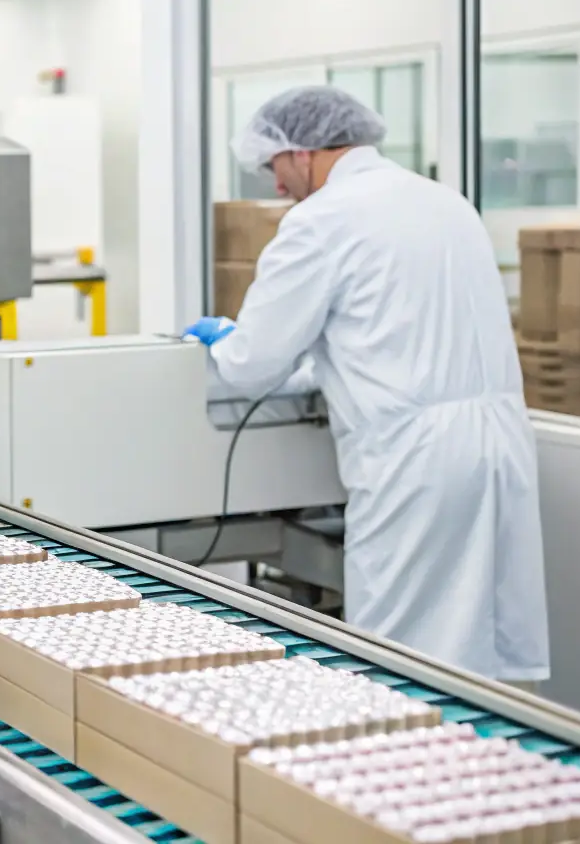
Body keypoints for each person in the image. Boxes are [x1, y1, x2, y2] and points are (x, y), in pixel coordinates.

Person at [185, 85, 549, 685]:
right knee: (481, 649)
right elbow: (397, 328)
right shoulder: (444, 201)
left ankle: (406, 774)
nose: (275, 186)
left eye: (272, 165)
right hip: (499, 443)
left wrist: (222, 338)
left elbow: (254, 362)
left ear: (303, 152)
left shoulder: (321, 221)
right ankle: (487, 766)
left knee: (399, 652)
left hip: (412, 459)